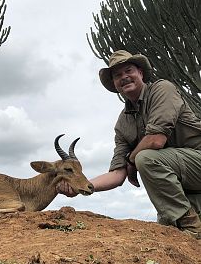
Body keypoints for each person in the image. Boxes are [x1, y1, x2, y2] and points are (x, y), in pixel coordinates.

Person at [57, 50, 201, 239]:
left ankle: (192, 229)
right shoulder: (122, 124)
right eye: (117, 75)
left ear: (140, 72)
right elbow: (117, 175)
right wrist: (82, 186)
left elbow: (156, 140)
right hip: (188, 188)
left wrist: (131, 160)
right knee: (169, 227)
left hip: (196, 163)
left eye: (128, 70)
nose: (124, 77)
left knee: (145, 158)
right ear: (115, 84)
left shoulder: (162, 89)